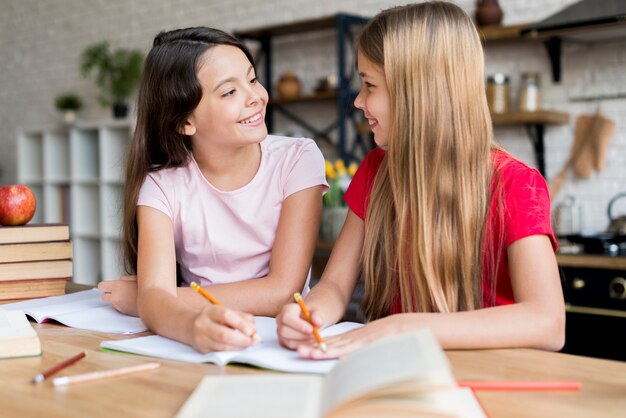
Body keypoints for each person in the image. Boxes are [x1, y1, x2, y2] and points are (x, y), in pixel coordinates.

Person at [277, 1, 565, 359]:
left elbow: (548, 323)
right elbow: (335, 283)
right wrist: (313, 312)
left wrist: (403, 325)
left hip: (494, 378)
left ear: (417, 93)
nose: (358, 101)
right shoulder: (376, 170)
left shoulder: (515, 184)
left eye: (369, 85)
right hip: (402, 367)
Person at [98, 27, 327, 353]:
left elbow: (281, 292)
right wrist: (190, 324)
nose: (255, 96)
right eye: (229, 92)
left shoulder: (298, 159)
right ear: (184, 121)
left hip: (282, 342)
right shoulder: (162, 186)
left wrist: (152, 299)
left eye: (252, 79)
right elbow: (154, 297)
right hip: (202, 343)